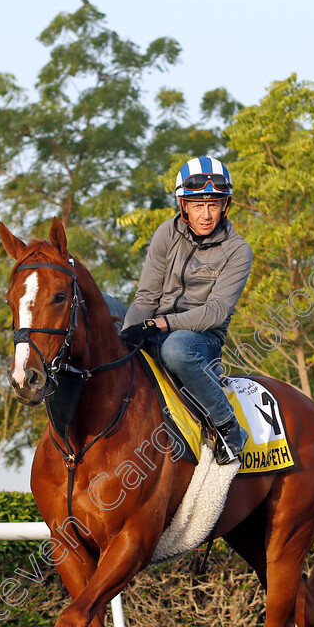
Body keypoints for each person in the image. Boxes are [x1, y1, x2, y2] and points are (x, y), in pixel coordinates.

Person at [120, 156, 252, 464]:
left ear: (225, 206)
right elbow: (146, 296)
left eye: (214, 205)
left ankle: (229, 427)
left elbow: (216, 311)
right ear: (184, 206)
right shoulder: (165, 233)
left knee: (176, 350)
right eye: (197, 205)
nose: (206, 215)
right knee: (105, 323)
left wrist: (161, 324)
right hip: (158, 326)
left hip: (200, 340)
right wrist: (127, 333)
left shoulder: (238, 250)